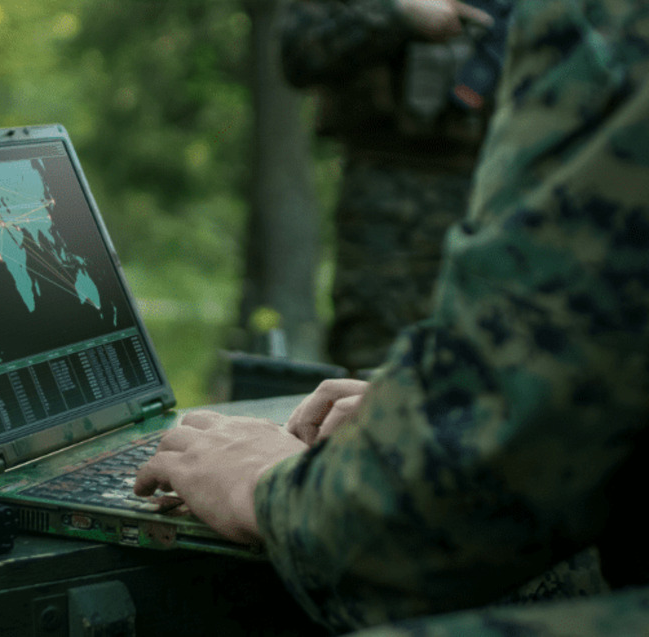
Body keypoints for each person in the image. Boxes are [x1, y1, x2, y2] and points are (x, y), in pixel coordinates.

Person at [136, 1, 649, 633]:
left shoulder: (605, 26)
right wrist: (431, 411)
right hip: (390, 214)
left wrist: (269, 489)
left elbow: (402, 543)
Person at [281, 0, 508, 371]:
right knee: (375, 359)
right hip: (388, 199)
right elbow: (297, 51)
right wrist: (397, 15)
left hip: (500, 190)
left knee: (488, 357)